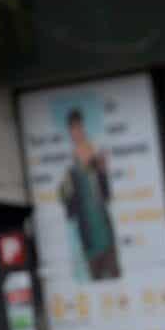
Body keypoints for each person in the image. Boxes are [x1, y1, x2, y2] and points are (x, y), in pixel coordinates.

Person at [60, 108, 121, 282]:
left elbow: (107, 195)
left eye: (80, 127)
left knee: (115, 276)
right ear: (70, 132)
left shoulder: (95, 153)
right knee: (97, 282)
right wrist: (67, 188)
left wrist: (101, 170)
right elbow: (69, 210)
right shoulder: (69, 167)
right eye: (74, 128)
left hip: (105, 232)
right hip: (88, 237)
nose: (78, 132)